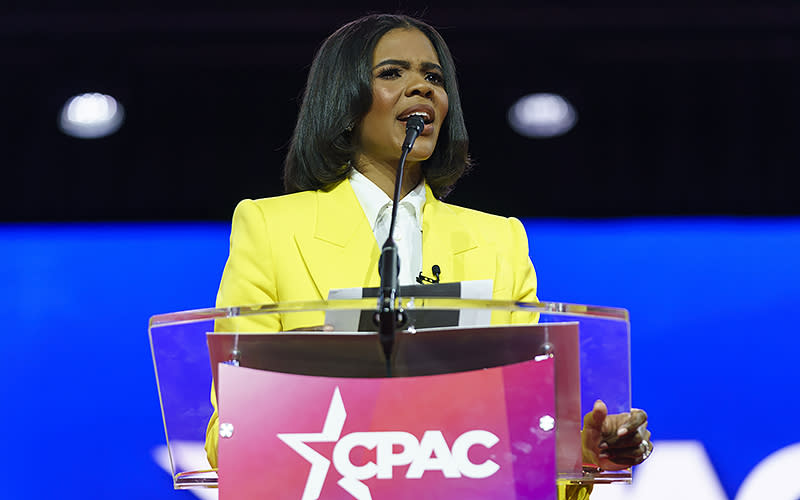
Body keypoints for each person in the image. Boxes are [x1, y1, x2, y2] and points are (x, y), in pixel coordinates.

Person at [205, 13, 652, 499]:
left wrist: (585, 453)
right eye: (392, 73)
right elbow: (224, 436)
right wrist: (297, 381)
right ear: (344, 98)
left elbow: (527, 442)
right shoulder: (272, 227)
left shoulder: (498, 241)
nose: (422, 88)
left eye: (433, 77)